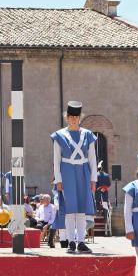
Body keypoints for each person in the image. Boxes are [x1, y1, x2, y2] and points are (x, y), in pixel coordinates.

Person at [51, 101, 97, 254]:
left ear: (79, 118)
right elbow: (56, 160)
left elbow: (92, 158)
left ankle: (81, 242)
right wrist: (58, 180)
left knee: (82, 209)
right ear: (67, 117)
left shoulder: (88, 135)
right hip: (67, 172)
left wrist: (93, 178)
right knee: (70, 210)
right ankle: (71, 242)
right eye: (71, 116)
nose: (73, 119)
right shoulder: (59, 135)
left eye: (76, 117)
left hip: (83, 171)